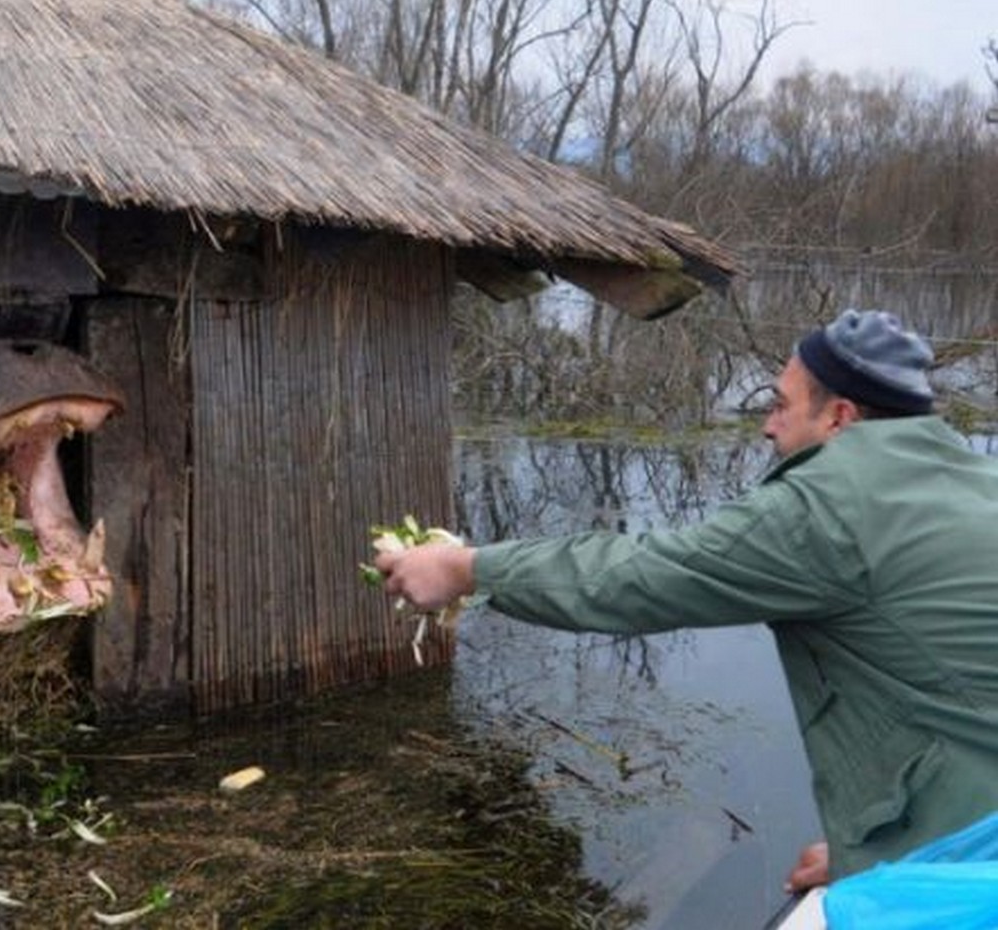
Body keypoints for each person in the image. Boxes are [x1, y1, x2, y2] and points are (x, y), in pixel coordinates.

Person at [376, 309, 998, 890]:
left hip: (974, 858)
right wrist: (885, 848)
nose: (767, 425)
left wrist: (468, 569)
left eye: (781, 407)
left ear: (839, 417)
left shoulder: (831, 508)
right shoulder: (975, 480)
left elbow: (640, 577)